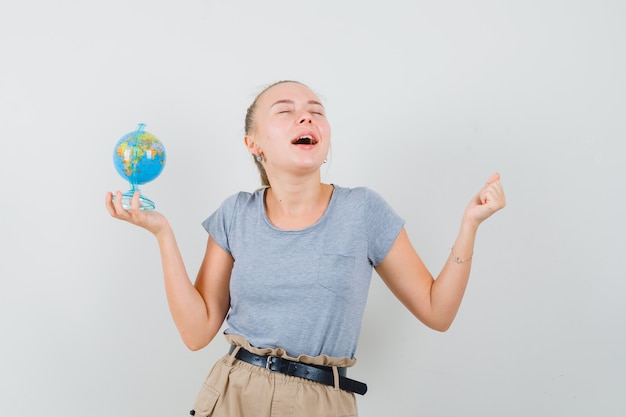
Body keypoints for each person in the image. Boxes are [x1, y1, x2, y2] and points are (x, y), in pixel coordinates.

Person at [105, 80, 506, 417]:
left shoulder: (362, 210)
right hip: (233, 394)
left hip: (321, 401)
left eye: (316, 110)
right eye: (285, 110)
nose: (306, 116)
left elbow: (438, 312)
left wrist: (469, 226)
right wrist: (163, 234)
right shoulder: (235, 214)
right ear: (253, 143)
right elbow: (197, 333)